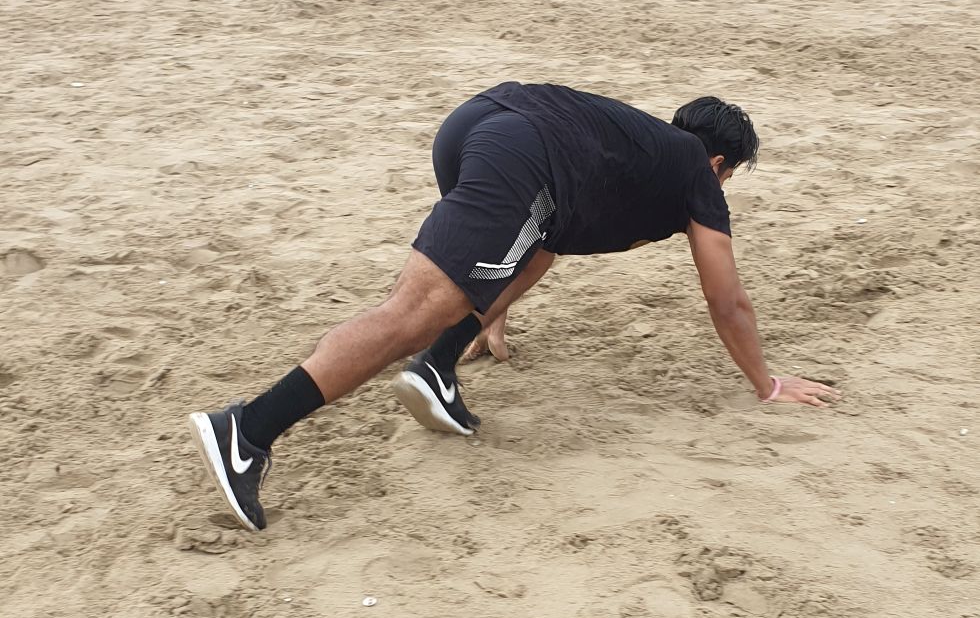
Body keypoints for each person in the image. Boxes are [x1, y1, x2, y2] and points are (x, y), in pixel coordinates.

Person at [189, 83, 838, 532]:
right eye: (728, 178)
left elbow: (532, 243)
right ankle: (247, 430)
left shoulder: (634, 149)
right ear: (719, 162)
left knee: (534, 249)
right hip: (525, 154)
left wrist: (489, 310)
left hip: (477, 120)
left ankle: (437, 366)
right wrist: (767, 383)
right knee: (415, 310)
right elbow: (727, 299)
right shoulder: (695, 173)